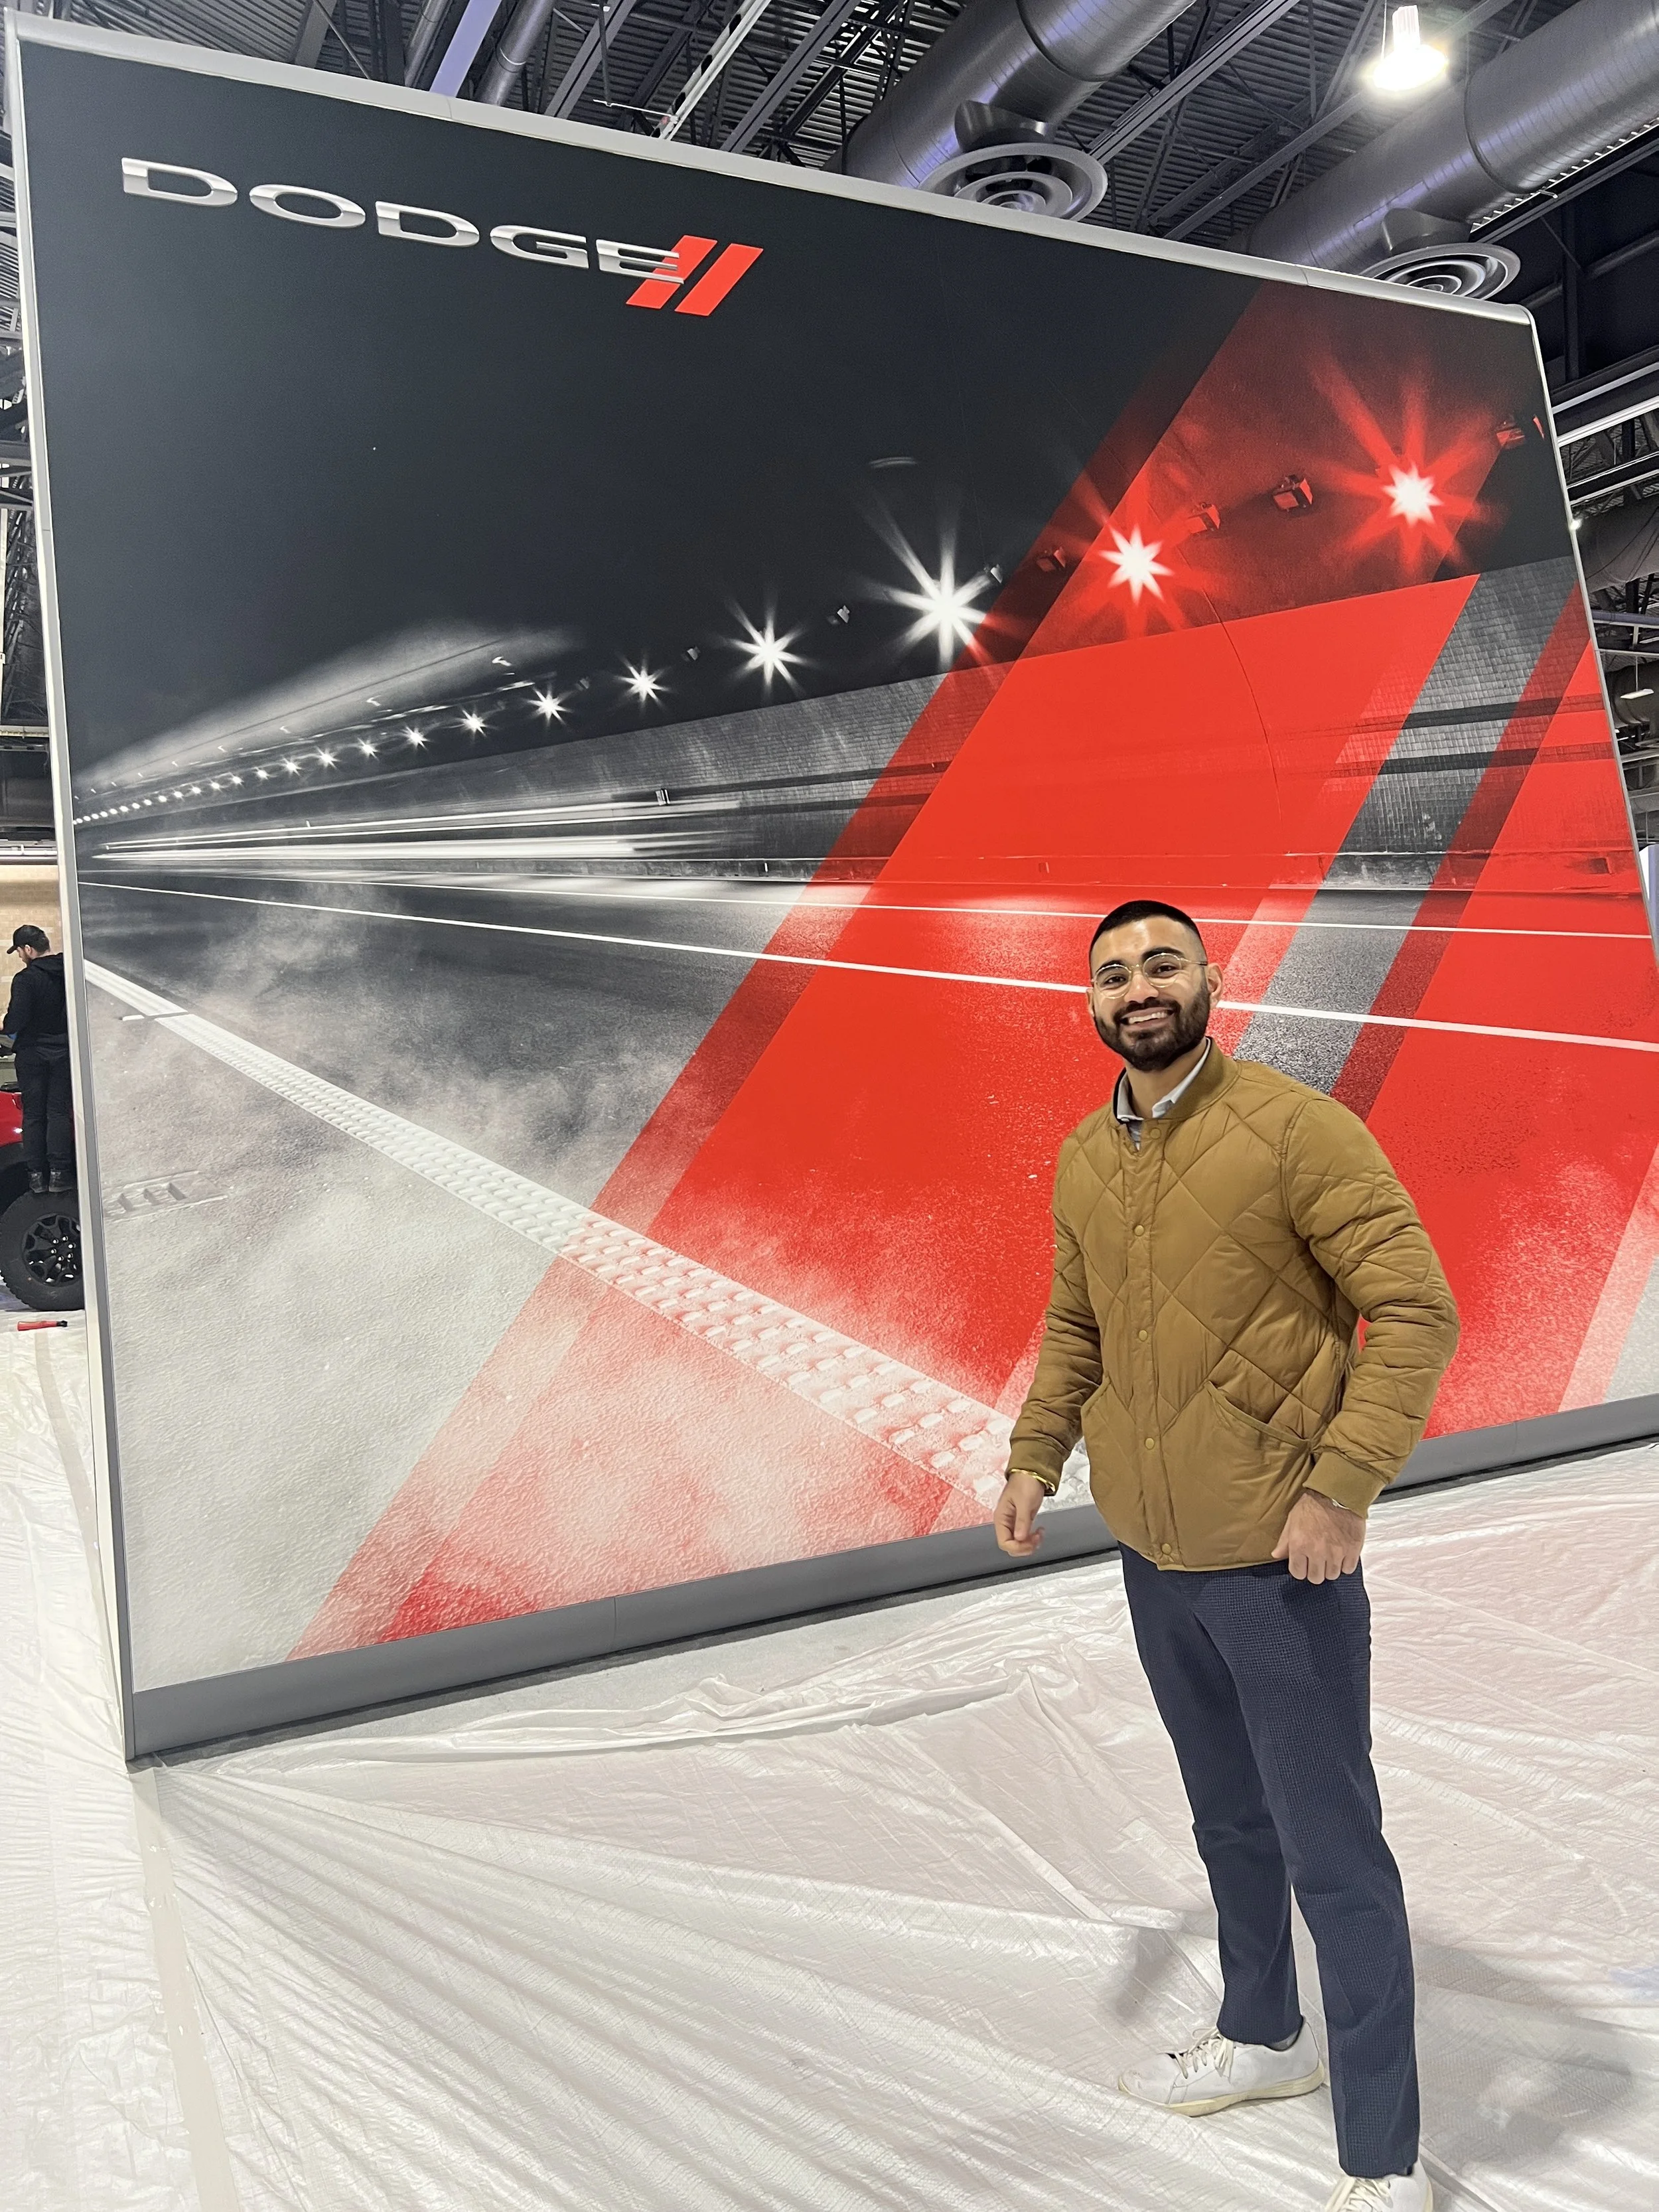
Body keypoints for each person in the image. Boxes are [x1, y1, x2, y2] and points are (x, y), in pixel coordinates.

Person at [995, 899, 1459, 2212]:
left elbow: (1415, 1310)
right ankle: (1264, 2032)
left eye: (1159, 962)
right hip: (1154, 1558)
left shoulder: (1295, 1130)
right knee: (1227, 1820)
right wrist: (1034, 1454)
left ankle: (1380, 2157)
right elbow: (1073, 1324)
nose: (1137, 986)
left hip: (1278, 1566)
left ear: (1208, 977)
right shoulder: (1087, 1154)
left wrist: (1339, 1486)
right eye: (1113, 972)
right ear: (1091, 1002)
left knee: (1334, 1853)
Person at [3, 923, 75, 1194]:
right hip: (63, 1052)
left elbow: (15, 1021)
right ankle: (60, 1175)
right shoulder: (68, 973)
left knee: (34, 1115)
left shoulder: (26, 979)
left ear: (29, 949)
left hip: (33, 1054)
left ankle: (36, 1177)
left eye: (20, 951)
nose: (21, 957)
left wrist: (5, 1023)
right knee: (57, 1112)